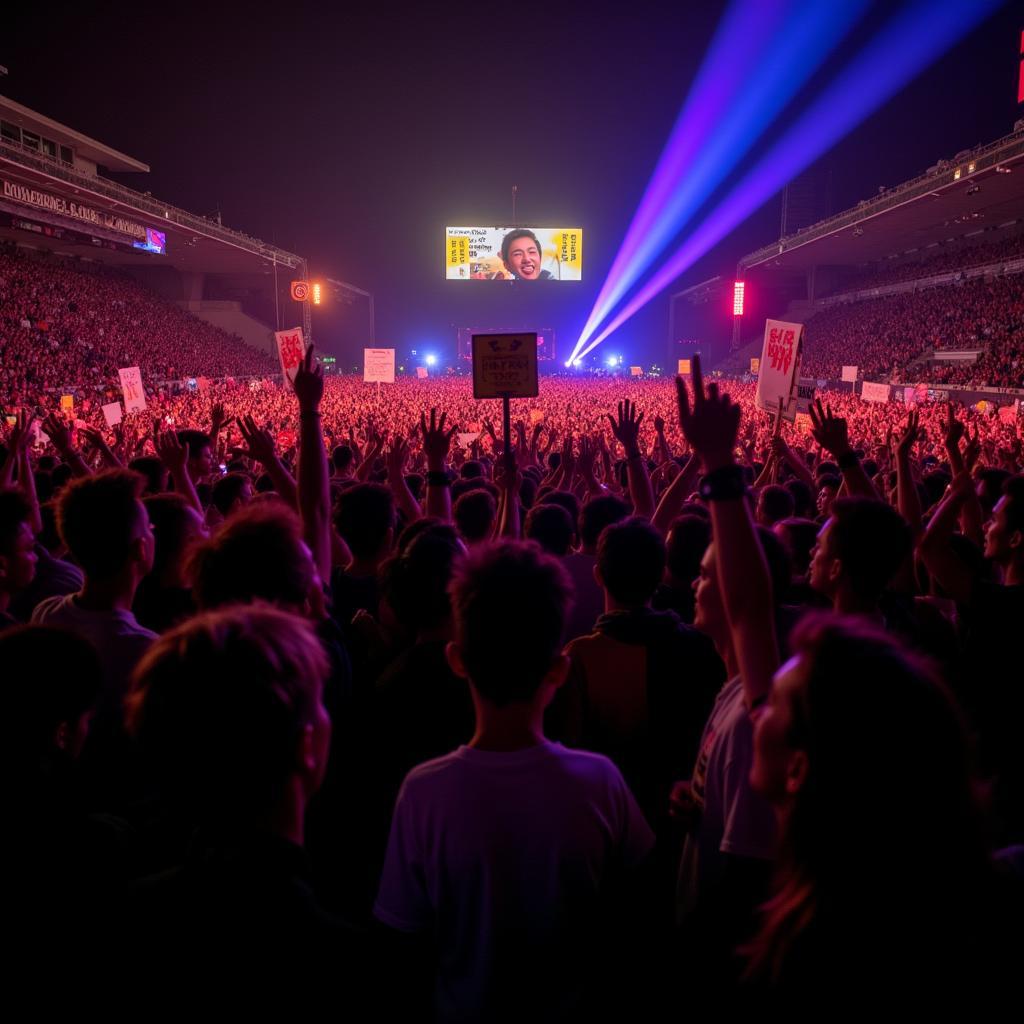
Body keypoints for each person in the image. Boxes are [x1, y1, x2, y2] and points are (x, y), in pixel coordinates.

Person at [374, 541, 655, 1021]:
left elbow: (403, 933)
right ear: (560, 667)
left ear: (457, 659)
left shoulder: (424, 791)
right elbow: (642, 913)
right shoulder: (599, 780)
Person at [744, 614, 1021, 1009]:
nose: (755, 714)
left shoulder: (820, 959)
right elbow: (745, 618)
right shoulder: (957, 898)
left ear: (798, 769)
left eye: (771, 704)